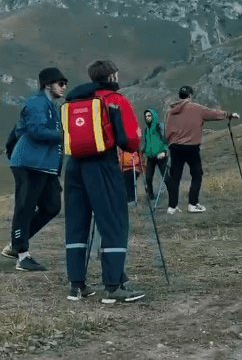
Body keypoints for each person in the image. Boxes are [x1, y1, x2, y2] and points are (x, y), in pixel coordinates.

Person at [63, 60, 143, 303]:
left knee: (77, 223)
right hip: (102, 165)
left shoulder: (74, 101)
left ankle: (77, 285)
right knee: (113, 222)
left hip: (74, 165)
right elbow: (130, 141)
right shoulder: (116, 100)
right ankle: (113, 286)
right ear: (111, 76)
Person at [2, 68, 67, 271]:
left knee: (52, 206)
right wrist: (66, 134)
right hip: (28, 163)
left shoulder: (51, 106)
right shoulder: (37, 102)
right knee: (25, 206)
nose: (64, 87)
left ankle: (14, 245)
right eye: (60, 83)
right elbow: (37, 131)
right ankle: (22, 255)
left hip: (45, 167)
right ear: (48, 84)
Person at [164, 86, 239, 214]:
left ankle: (172, 207)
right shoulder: (197, 109)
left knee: (175, 177)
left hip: (175, 147)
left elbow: (167, 132)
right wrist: (229, 115)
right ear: (190, 96)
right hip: (192, 148)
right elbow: (213, 114)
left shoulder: (171, 112)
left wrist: (171, 142)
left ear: (180, 96)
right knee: (197, 175)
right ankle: (192, 204)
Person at [142, 109, 170, 200]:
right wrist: (143, 151)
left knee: (166, 178)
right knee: (148, 178)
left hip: (161, 156)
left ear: (153, 116)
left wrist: (164, 152)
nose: (147, 118)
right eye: (146, 116)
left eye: (149, 116)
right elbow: (146, 143)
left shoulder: (160, 127)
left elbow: (168, 140)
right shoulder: (146, 130)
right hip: (151, 157)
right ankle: (151, 196)